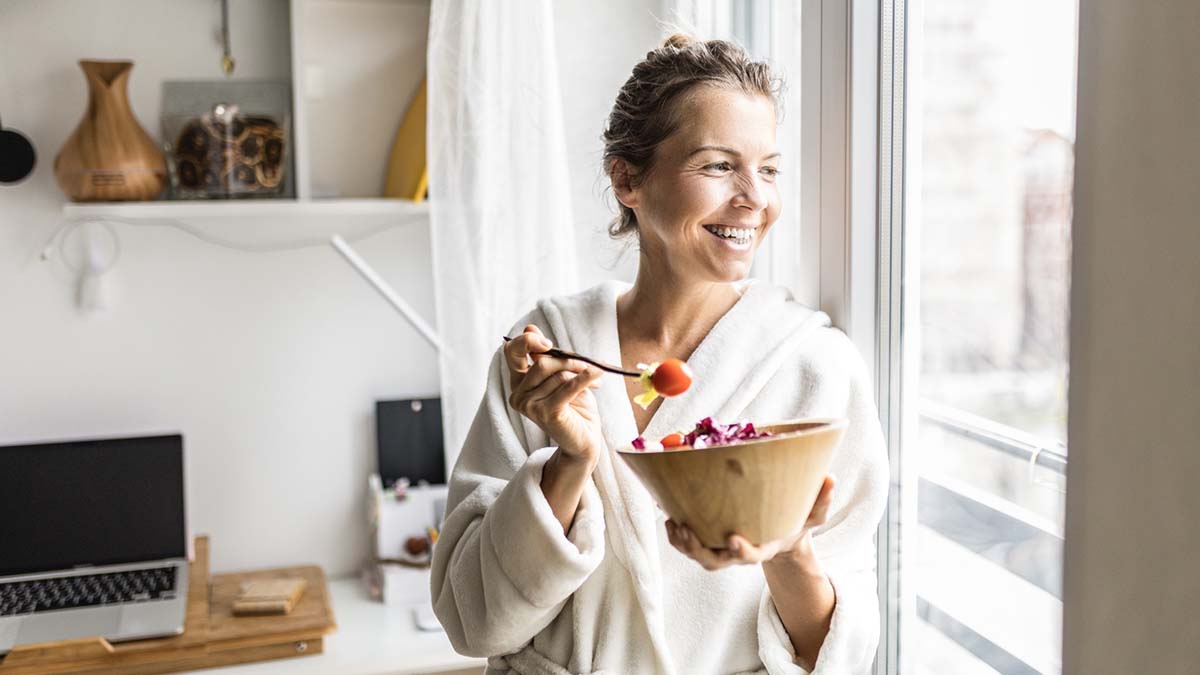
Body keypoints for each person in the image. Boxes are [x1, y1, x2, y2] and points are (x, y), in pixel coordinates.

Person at [430, 34, 888, 675]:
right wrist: (569, 462)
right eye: (718, 166)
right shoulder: (549, 355)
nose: (755, 197)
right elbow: (472, 623)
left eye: (770, 168)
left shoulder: (816, 368)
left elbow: (836, 656)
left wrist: (787, 552)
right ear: (627, 179)